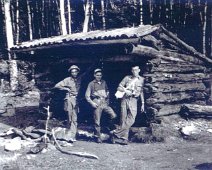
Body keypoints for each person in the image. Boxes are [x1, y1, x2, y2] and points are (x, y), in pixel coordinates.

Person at [111, 66, 145, 145]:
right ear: (131, 71)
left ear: (139, 70)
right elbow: (119, 87)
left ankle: (115, 133)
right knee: (123, 119)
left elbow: (141, 92)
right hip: (125, 99)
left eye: (136, 70)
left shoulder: (142, 80)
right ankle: (124, 139)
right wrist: (125, 91)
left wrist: (143, 103)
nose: (134, 71)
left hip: (134, 100)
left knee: (132, 119)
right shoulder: (127, 78)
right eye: (133, 70)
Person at [85, 68, 116, 143]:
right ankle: (98, 137)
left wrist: (107, 101)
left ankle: (111, 134)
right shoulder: (91, 84)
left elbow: (107, 91)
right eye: (97, 75)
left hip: (104, 102)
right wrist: (92, 103)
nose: (99, 76)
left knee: (113, 115)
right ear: (94, 75)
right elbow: (87, 96)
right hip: (97, 102)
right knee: (97, 121)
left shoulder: (104, 82)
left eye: (100, 75)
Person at [54, 65, 81, 142]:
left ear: (78, 72)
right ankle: (68, 135)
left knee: (75, 118)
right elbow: (56, 86)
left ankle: (73, 135)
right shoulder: (67, 79)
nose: (74, 73)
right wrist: (66, 88)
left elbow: (86, 73)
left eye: (75, 71)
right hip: (69, 99)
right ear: (70, 73)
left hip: (76, 99)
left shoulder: (79, 79)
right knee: (69, 117)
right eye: (72, 72)